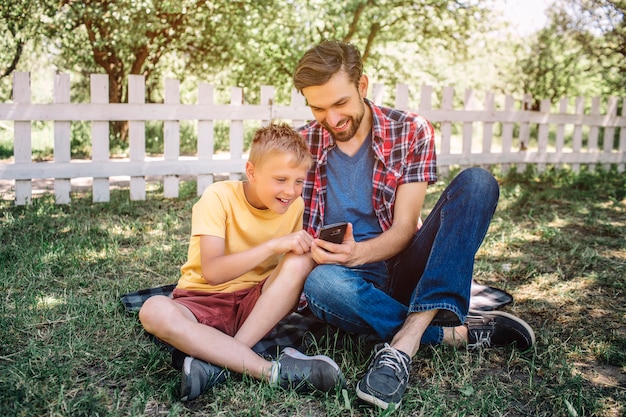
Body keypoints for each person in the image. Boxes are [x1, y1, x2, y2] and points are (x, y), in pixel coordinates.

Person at [293, 40, 535, 411]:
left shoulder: (409, 131)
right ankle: (448, 334)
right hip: (343, 280)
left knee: (477, 183)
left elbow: (405, 228)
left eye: (340, 103)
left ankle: (406, 338)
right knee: (319, 283)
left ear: (362, 86)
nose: (331, 118)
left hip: (405, 270)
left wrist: (358, 253)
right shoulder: (303, 143)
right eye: (318, 107)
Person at [139, 123, 345, 402]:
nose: (291, 190)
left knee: (302, 258)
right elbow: (212, 272)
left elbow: (283, 274)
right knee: (153, 310)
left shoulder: (293, 206)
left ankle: (219, 362)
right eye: (281, 179)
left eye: (299, 181)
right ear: (252, 172)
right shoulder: (219, 197)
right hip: (202, 301)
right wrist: (272, 246)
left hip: (255, 306)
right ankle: (269, 370)